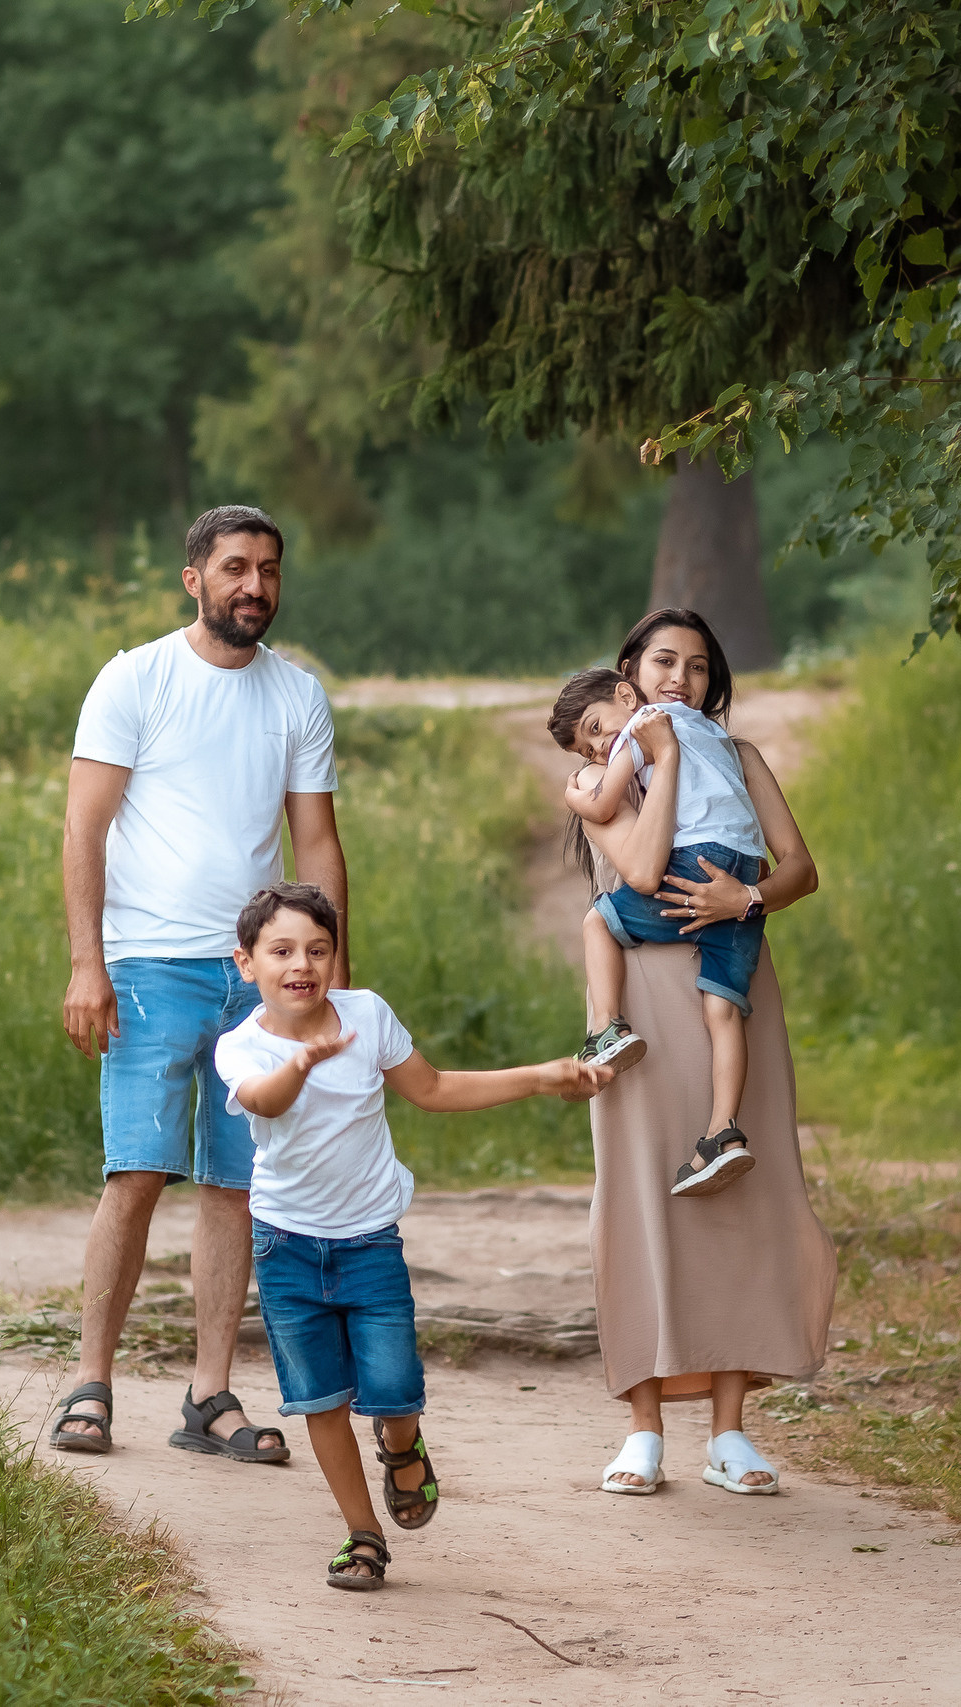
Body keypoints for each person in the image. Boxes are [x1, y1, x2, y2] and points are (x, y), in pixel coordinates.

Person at [49, 505, 346, 1464]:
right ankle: (90, 1385)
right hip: (146, 968)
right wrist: (86, 964)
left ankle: (209, 1393)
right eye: (233, 568)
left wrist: (325, 981)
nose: (253, 585)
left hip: (256, 980)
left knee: (236, 1186)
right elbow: (83, 829)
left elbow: (318, 842)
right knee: (135, 1172)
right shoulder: (136, 678)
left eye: (267, 569)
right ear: (194, 578)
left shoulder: (298, 696)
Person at [215, 882, 611, 1588]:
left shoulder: (367, 1015)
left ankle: (402, 1447)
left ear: (336, 957)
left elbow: (434, 1088)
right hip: (285, 1248)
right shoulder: (240, 1047)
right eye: (281, 951)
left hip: (369, 1240)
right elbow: (261, 1100)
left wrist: (540, 1078)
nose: (301, 963)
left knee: (394, 1388)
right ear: (247, 963)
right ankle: (363, 1536)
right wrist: (301, 1063)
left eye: (317, 948)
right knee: (319, 1399)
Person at [576, 609, 835, 1498]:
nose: (678, 676)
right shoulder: (608, 765)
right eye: (661, 661)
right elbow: (637, 873)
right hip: (643, 1000)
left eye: (696, 664)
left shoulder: (742, 757)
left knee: (743, 1197)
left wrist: (745, 897)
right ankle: (642, 1425)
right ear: (629, 674)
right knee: (637, 1191)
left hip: (735, 982)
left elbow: (799, 867)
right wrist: (657, 756)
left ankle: (730, 1431)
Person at [549, 667, 768, 1196]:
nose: (601, 749)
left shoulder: (645, 726)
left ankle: (608, 1027)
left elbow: (603, 804)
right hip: (743, 874)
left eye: (596, 729)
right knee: (722, 1008)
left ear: (626, 696)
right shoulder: (712, 733)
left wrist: (573, 797)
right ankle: (722, 1133)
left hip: (696, 863)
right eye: (587, 749)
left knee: (601, 919)